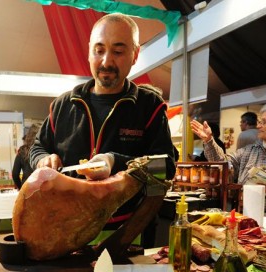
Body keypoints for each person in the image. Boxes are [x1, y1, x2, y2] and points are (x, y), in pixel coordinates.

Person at [29, 13, 177, 248]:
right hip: (66, 227)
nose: (107, 61)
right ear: (89, 51)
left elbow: (166, 166)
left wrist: (114, 162)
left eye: (118, 52)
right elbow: (37, 148)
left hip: (128, 232)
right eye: (99, 50)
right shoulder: (63, 105)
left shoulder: (149, 106)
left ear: (135, 55)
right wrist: (42, 160)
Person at [12, 123, 39, 189]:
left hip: (27, 186)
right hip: (43, 187)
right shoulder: (44, 149)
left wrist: (21, 187)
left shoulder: (22, 151)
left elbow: (15, 174)